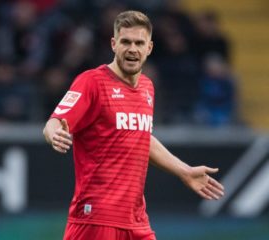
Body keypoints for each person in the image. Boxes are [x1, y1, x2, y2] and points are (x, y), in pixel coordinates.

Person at [43, 10, 224, 240]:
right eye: (125, 42)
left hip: (136, 219)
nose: (132, 49)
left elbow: (139, 136)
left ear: (149, 48)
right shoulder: (92, 82)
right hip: (96, 218)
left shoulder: (147, 87)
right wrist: (54, 134)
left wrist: (184, 171)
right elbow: (54, 121)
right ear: (113, 44)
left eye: (139, 43)